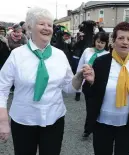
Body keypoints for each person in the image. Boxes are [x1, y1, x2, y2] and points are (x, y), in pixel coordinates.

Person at [0, 7, 94, 155]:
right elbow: (2, 88)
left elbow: (69, 88)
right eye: (41, 24)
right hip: (24, 120)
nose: (46, 28)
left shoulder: (60, 56)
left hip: (54, 119)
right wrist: (3, 120)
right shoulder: (16, 55)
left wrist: (80, 76)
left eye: (49, 25)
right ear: (30, 27)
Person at [85, 22, 129, 155]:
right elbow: (89, 93)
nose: (125, 42)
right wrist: (90, 83)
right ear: (113, 41)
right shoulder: (101, 62)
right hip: (102, 122)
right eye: (121, 38)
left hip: (127, 123)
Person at [76, 31, 109, 138]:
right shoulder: (87, 51)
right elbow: (80, 66)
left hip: (100, 85)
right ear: (94, 41)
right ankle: (88, 129)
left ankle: (95, 127)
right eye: (98, 41)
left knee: (98, 107)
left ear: (106, 44)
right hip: (87, 85)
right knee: (90, 108)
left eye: (102, 43)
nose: (100, 44)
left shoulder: (107, 55)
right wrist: (78, 84)